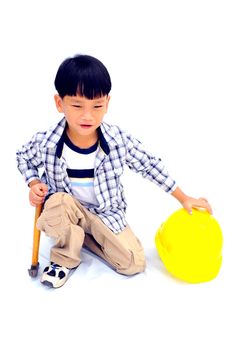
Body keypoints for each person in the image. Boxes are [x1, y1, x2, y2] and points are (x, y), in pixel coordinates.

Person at [16, 54, 212, 288]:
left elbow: (150, 165)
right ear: (60, 104)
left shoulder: (118, 141)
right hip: (67, 209)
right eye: (77, 105)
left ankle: (83, 237)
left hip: (105, 215)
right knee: (57, 201)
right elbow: (23, 158)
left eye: (97, 106)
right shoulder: (45, 141)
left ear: (107, 103)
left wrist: (183, 197)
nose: (87, 115)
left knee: (133, 264)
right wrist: (33, 182)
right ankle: (65, 259)